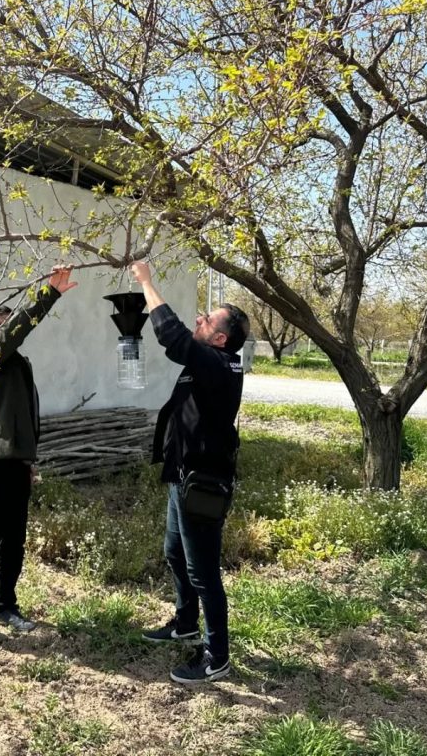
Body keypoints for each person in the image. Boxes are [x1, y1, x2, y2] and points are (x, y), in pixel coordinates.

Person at [130, 261, 249, 684]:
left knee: (204, 573)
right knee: (175, 554)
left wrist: (147, 281)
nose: (199, 317)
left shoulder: (218, 364)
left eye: (207, 319)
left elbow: (174, 337)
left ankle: (217, 657)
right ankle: (184, 622)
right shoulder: (212, 362)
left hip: (202, 485)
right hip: (183, 478)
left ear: (219, 338)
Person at [0, 265, 78, 646]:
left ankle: (3, 605)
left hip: (16, 463)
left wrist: (28, 459)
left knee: (14, 541)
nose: (7, 330)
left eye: (8, 323)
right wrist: (47, 295)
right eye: (1, 325)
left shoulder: (17, 363)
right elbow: (14, 332)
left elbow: (24, 416)